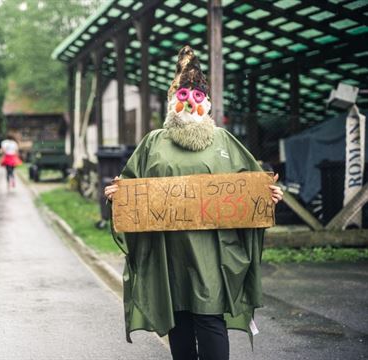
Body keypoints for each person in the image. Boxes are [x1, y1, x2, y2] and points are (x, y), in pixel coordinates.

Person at [104, 45, 284, 360]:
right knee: (179, 321)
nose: (189, 104)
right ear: (173, 102)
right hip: (166, 251)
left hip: (212, 250)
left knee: (210, 317)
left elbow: (252, 186)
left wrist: (268, 196)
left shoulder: (225, 141)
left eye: (196, 97)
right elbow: (130, 186)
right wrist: (117, 197)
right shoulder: (153, 143)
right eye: (183, 97)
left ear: (207, 104)